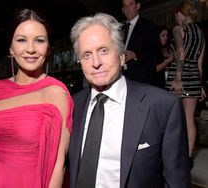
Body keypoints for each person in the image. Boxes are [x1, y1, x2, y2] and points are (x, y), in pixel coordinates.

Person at [68, 12, 190, 188]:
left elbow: (177, 181)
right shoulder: (73, 105)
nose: (96, 62)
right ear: (80, 62)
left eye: (104, 50)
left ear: (121, 55)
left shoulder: (162, 106)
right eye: (87, 54)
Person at [0, 9, 73, 188]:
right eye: (21, 40)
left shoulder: (57, 93)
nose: (30, 49)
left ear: (48, 48)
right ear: (11, 48)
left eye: (39, 40)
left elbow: (57, 165)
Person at [165, 0, 206, 168]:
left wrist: (178, 79)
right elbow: (199, 62)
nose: (175, 17)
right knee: (189, 119)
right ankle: (187, 158)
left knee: (172, 119)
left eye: (176, 14)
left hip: (180, 76)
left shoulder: (177, 29)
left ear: (183, 13)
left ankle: (173, 155)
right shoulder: (201, 34)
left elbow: (180, 53)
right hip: (194, 77)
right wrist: (199, 85)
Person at [121, 0, 159, 85]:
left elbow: (155, 49)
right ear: (122, 9)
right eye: (125, 6)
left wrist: (135, 54)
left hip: (141, 79)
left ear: (138, 6)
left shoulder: (148, 25)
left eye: (130, 4)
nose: (127, 8)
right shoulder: (121, 28)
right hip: (122, 77)